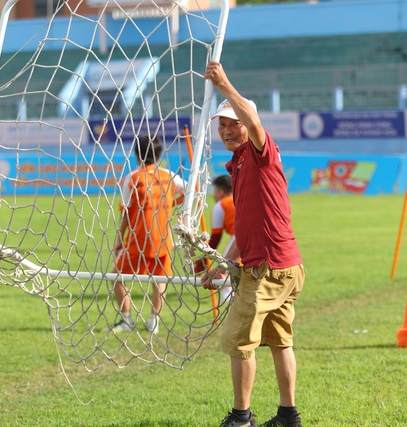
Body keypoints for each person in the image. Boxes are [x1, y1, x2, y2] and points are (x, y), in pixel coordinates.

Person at [202, 60, 306, 427]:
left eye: (235, 123)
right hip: (283, 266)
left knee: (238, 343)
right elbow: (245, 229)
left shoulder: (261, 152)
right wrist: (222, 261)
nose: (229, 130)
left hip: (268, 270)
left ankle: (241, 417)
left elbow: (254, 121)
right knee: (281, 342)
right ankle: (288, 415)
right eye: (223, 125)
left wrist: (225, 83)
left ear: (248, 125)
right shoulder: (239, 164)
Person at [112, 135, 186, 335]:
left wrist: (119, 239)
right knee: (160, 280)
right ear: (159, 154)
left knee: (117, 277)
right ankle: (154, 320)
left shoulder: (132, 178)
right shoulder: (170, 176)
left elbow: (126, 212)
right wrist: (173, 203)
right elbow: (191, 190)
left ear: (137, 155)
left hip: (138, 239)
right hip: (163, 238)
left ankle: (126, 320)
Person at [195, 174, 236, 302]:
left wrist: (201, 262)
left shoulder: (220, 206)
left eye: (214, 190)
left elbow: (215, 239)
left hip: (238, 239)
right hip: (251, 237)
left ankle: (229, 299)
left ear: (220, 191)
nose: (213, 194)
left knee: (224, 270)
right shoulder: (240, 198)